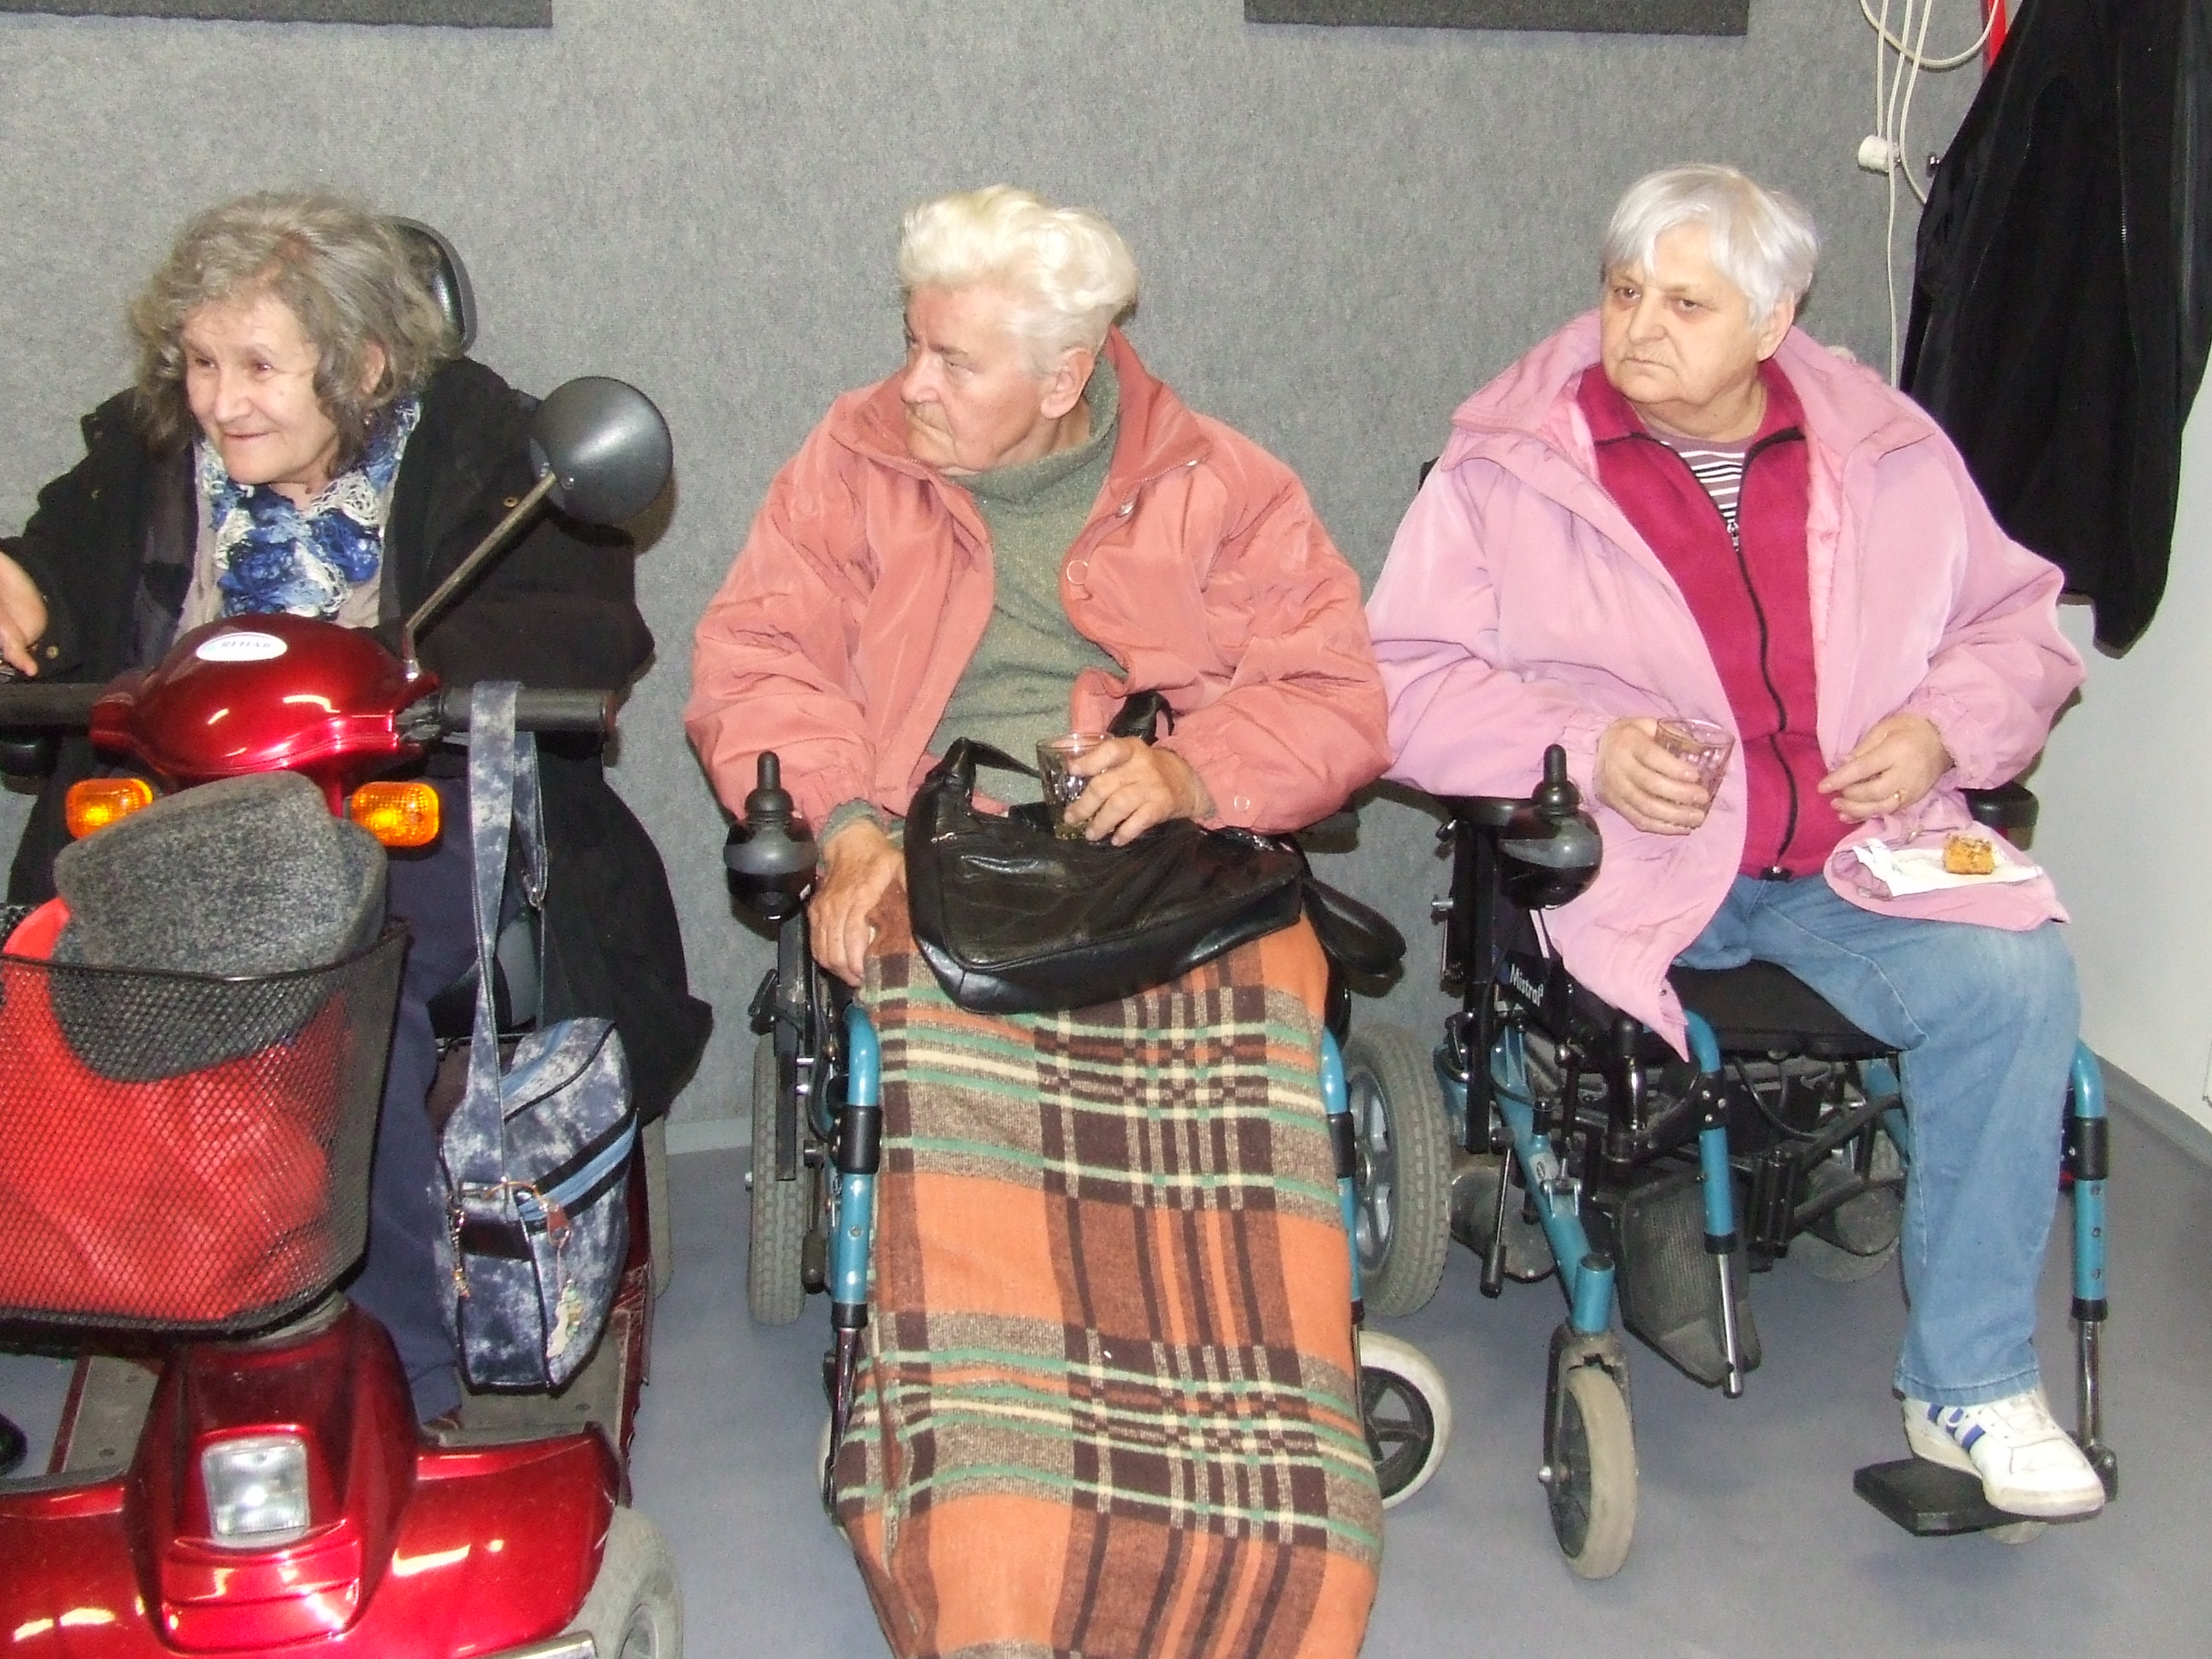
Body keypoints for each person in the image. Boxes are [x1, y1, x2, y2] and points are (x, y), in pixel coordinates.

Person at [689, 186, 1390, 1657]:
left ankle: (1263, 1556)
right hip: (934, 837)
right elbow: (760, 657)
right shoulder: (851, 461)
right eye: (913, 344)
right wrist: (849, 821)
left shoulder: (1219, 482)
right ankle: (997, 1554)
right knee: (951, 1028)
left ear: (1067, 374)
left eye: (953, 360)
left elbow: (1335, 696)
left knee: (1263, 992)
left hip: (1164, 855)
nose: (913, 384)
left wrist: (1196, 769)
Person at [1367, 164, 2104, 1521]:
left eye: (1686, 304)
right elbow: (1401, 682)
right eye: (1624, 290)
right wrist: (1587, 749)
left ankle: (1973, 1389)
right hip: (1638, 871)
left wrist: (1939, 731)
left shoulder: (1887, 451)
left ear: (1774, 323)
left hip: (1851, 863)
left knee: (2020, 981)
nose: (1640, 327)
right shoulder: (1511, 464)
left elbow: (2019, 629)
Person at [0, 192, 709, 1423]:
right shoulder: (150, 452)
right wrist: (16, 583)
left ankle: (399, 1370)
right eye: (201, 362)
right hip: (171, 807)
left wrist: (402, 682)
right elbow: (53, 565)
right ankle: (137, 1283)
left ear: (367, 364)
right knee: (48, 972)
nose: (221, 402)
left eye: (260, 367)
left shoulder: (493, 451)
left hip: (392, 800)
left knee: (343, 992)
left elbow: (584, 624)